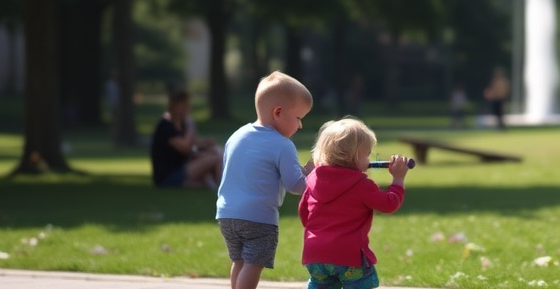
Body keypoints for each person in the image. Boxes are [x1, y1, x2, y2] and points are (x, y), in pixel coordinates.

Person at [216, 71, 314, 289]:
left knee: (239, 261)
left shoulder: (237, 136)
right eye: (298, 118)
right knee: (254, 264)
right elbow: (297, 186)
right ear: (278, 112)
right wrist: (312, 174)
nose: (300, 126)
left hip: (227, 214)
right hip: (258, 217)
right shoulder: (282, 144)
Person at [299, 117, 409, 289]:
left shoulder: (313, 178)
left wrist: (321, 234)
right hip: (348, 255)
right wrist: (398, 179)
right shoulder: (361, 184)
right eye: (367, 153)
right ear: (356, 155)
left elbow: (304, 212)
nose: (369, 158)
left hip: (315, 253)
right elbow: (389, 204)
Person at [150, 88, 223, 189]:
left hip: (182, 168)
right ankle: (220, 187)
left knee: (216, 152)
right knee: (216, 159)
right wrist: (190, 127)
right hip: (169, 174)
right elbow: (185, 148)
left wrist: (205, 144)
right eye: (184, 105)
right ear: (175, 105)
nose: (187, 108)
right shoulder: (166, 125)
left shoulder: (183, 123)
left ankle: (213, 184)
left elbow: (193, 146)